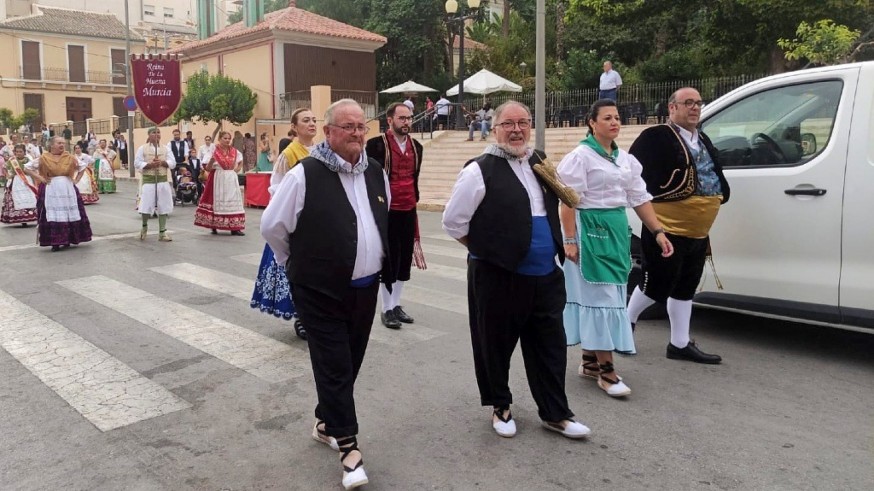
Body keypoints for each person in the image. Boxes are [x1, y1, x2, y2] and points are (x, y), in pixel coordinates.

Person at [261, 99, 391, 490]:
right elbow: (272, 227)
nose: (355, 133)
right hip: (319, 291)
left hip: (364, 290)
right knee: (334, 364)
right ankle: (350, 451)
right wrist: (295, 264)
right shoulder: (305, 174)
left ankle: (324, 421)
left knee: (349, 363)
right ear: (329, 133)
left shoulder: (375, 173)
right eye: (347, 127)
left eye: (360, 128)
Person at [442, 101, 591, 440]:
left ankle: (556, 413)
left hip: (546, 275)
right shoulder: (479, 170)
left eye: (523, 122)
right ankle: (501, 405)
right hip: (499, 276)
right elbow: (453, 222)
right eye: (508, 124)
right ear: (494, 129)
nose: (517, 130)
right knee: (496, 344)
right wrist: (490, 252)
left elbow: (563, 201)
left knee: (550, 347)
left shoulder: (539, 162)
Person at [557, 99, 674, 398]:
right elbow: (567, 201)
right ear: (592, 122)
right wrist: (569, 240)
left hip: (616, 230)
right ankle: (607, 371)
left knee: (605, 294)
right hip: (589, 230)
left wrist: (658, 231)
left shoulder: (626, 160)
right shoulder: (580, 157)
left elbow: (640, 197)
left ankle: (590, 362)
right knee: (602, 297)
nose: (614, 122)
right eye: (607, 117)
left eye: (617, 117)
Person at [626, 87, 730, 364]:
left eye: (698, 103)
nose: (694, 108)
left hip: (698, 230)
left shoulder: (703, 138)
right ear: (672, 108)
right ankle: (624, 325)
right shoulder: (655, 136)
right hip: (666, 226)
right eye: (688, 103)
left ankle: (679, 343)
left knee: (686, 286)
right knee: (656, 285)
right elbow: (631, 173)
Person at [251, 108, 318, 340]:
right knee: (299, 271)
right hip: (299, 220)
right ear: (294, 127)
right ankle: (301, 315)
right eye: (306, 120)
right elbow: (277, 189)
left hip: (318, 219)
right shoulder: (288, 154)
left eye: (313, 120)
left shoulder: (321, 151)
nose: (311, 124)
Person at [365, 102, 423, 329]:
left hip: (409, 207)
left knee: (404, 258)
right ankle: (386, 308)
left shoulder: (417, 147)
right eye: (402, 118)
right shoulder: (375, 145)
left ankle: (397, 304)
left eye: (409, 118)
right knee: (388, 259)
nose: (407, 122)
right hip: (385, 210)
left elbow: (415, 178)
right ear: (390, 120)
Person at [23, 136, 92, 251]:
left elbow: (82, 167)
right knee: (52, 214)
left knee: (68, 212)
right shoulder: (44, 158)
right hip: (51, 188)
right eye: (59, 143)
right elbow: (27, 168)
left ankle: (69, 239)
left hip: (67, 188)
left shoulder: (69, 157)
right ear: (52, 145)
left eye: (63, 143)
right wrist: (40, 177)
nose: (62, 145)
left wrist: (76, 180)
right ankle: (55, 242)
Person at [195, 131, 246, 236]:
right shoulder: (213, 150)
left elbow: (241, 161)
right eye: (225, 138)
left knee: (233, 200)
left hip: (231, 178)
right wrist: (211, 161)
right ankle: (214, 225)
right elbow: (208, 168)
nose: (227, 140)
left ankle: (235, 227)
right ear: (219, 139)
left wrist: (235, 170)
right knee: (217, 200)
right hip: (218, 177)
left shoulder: (234, 151)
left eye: (229, 138)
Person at [135, 127, 175, 242]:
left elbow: (173, 163)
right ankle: (144, 227)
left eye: (158, 132)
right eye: (154, 132)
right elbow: (137, 163)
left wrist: (162, 163)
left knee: (163, 206)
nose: (157, 135)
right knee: (146, 206)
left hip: (162, 180)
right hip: (149, 181)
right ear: (149, 135)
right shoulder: (142, 148)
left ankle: (162, 232)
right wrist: (149, 165)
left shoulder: (166, 149)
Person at [1, 144, 37, 226]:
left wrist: (34, 182)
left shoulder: (28, 160)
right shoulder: (12, 160)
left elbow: (33, 170)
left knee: (29, 197)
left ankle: (29, 216)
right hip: (16, 180)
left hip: (26, 180)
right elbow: (4, 167)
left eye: (20, 152)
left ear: (24, 152)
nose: (18, 153)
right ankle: (20, 217)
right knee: (16, 198)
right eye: (17, 152)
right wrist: (7, 175)